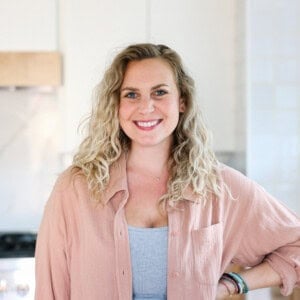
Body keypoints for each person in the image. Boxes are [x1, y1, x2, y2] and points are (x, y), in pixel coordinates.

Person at [35, 43, 300, 300]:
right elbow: (50, 291)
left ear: (182, 101)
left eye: (160, 92)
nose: (146, 106)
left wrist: (234, 284)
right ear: (116, 105)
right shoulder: (75, 188)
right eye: (131, 94)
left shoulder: (219, 186)